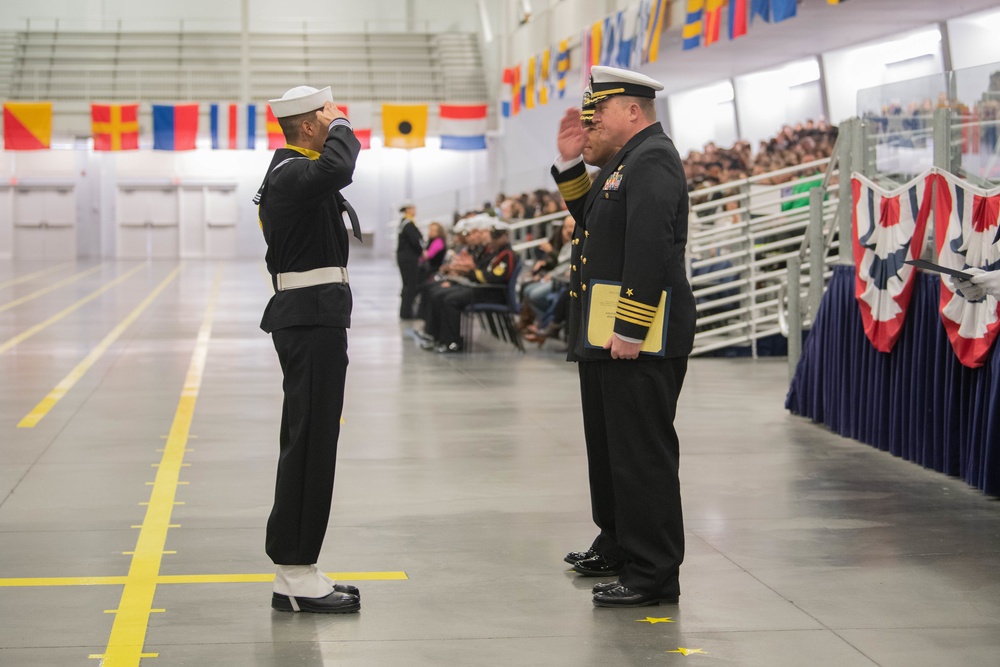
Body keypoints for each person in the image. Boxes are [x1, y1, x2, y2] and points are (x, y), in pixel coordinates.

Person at [551, 66, 696, 608]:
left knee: (641, 456)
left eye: (598, 112)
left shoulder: (653, 157)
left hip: (637, 336)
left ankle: (653, 571)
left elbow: (652, 246)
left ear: (632, 111)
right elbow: (593, 217)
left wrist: (631, 326)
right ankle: (618, 542)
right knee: (610, 451)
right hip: (605, 334)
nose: (591, 122)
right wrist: (571, 162)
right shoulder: (623, 162)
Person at [254, 85, 363, 614]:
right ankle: (295, 571)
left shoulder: (295, 173)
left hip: (314, 319)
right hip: (310, 321)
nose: (338, 120)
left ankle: (298, 568)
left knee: (312, 438)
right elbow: (338, 169)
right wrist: (341, 128)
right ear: (308, 127)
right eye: (327, 115)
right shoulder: (292, 172)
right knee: (311, 441)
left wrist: (333, 127)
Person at [397, 203, 424, 319]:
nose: (415, 211)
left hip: (404, 257)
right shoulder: (408, 224)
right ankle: (407, 313)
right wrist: (422, 252)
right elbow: (415, 241)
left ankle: (405, 311)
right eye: (413, 209)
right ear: (408, 210)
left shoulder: (405, 222)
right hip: (408, 258)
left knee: (407, 285)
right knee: (410, 285)